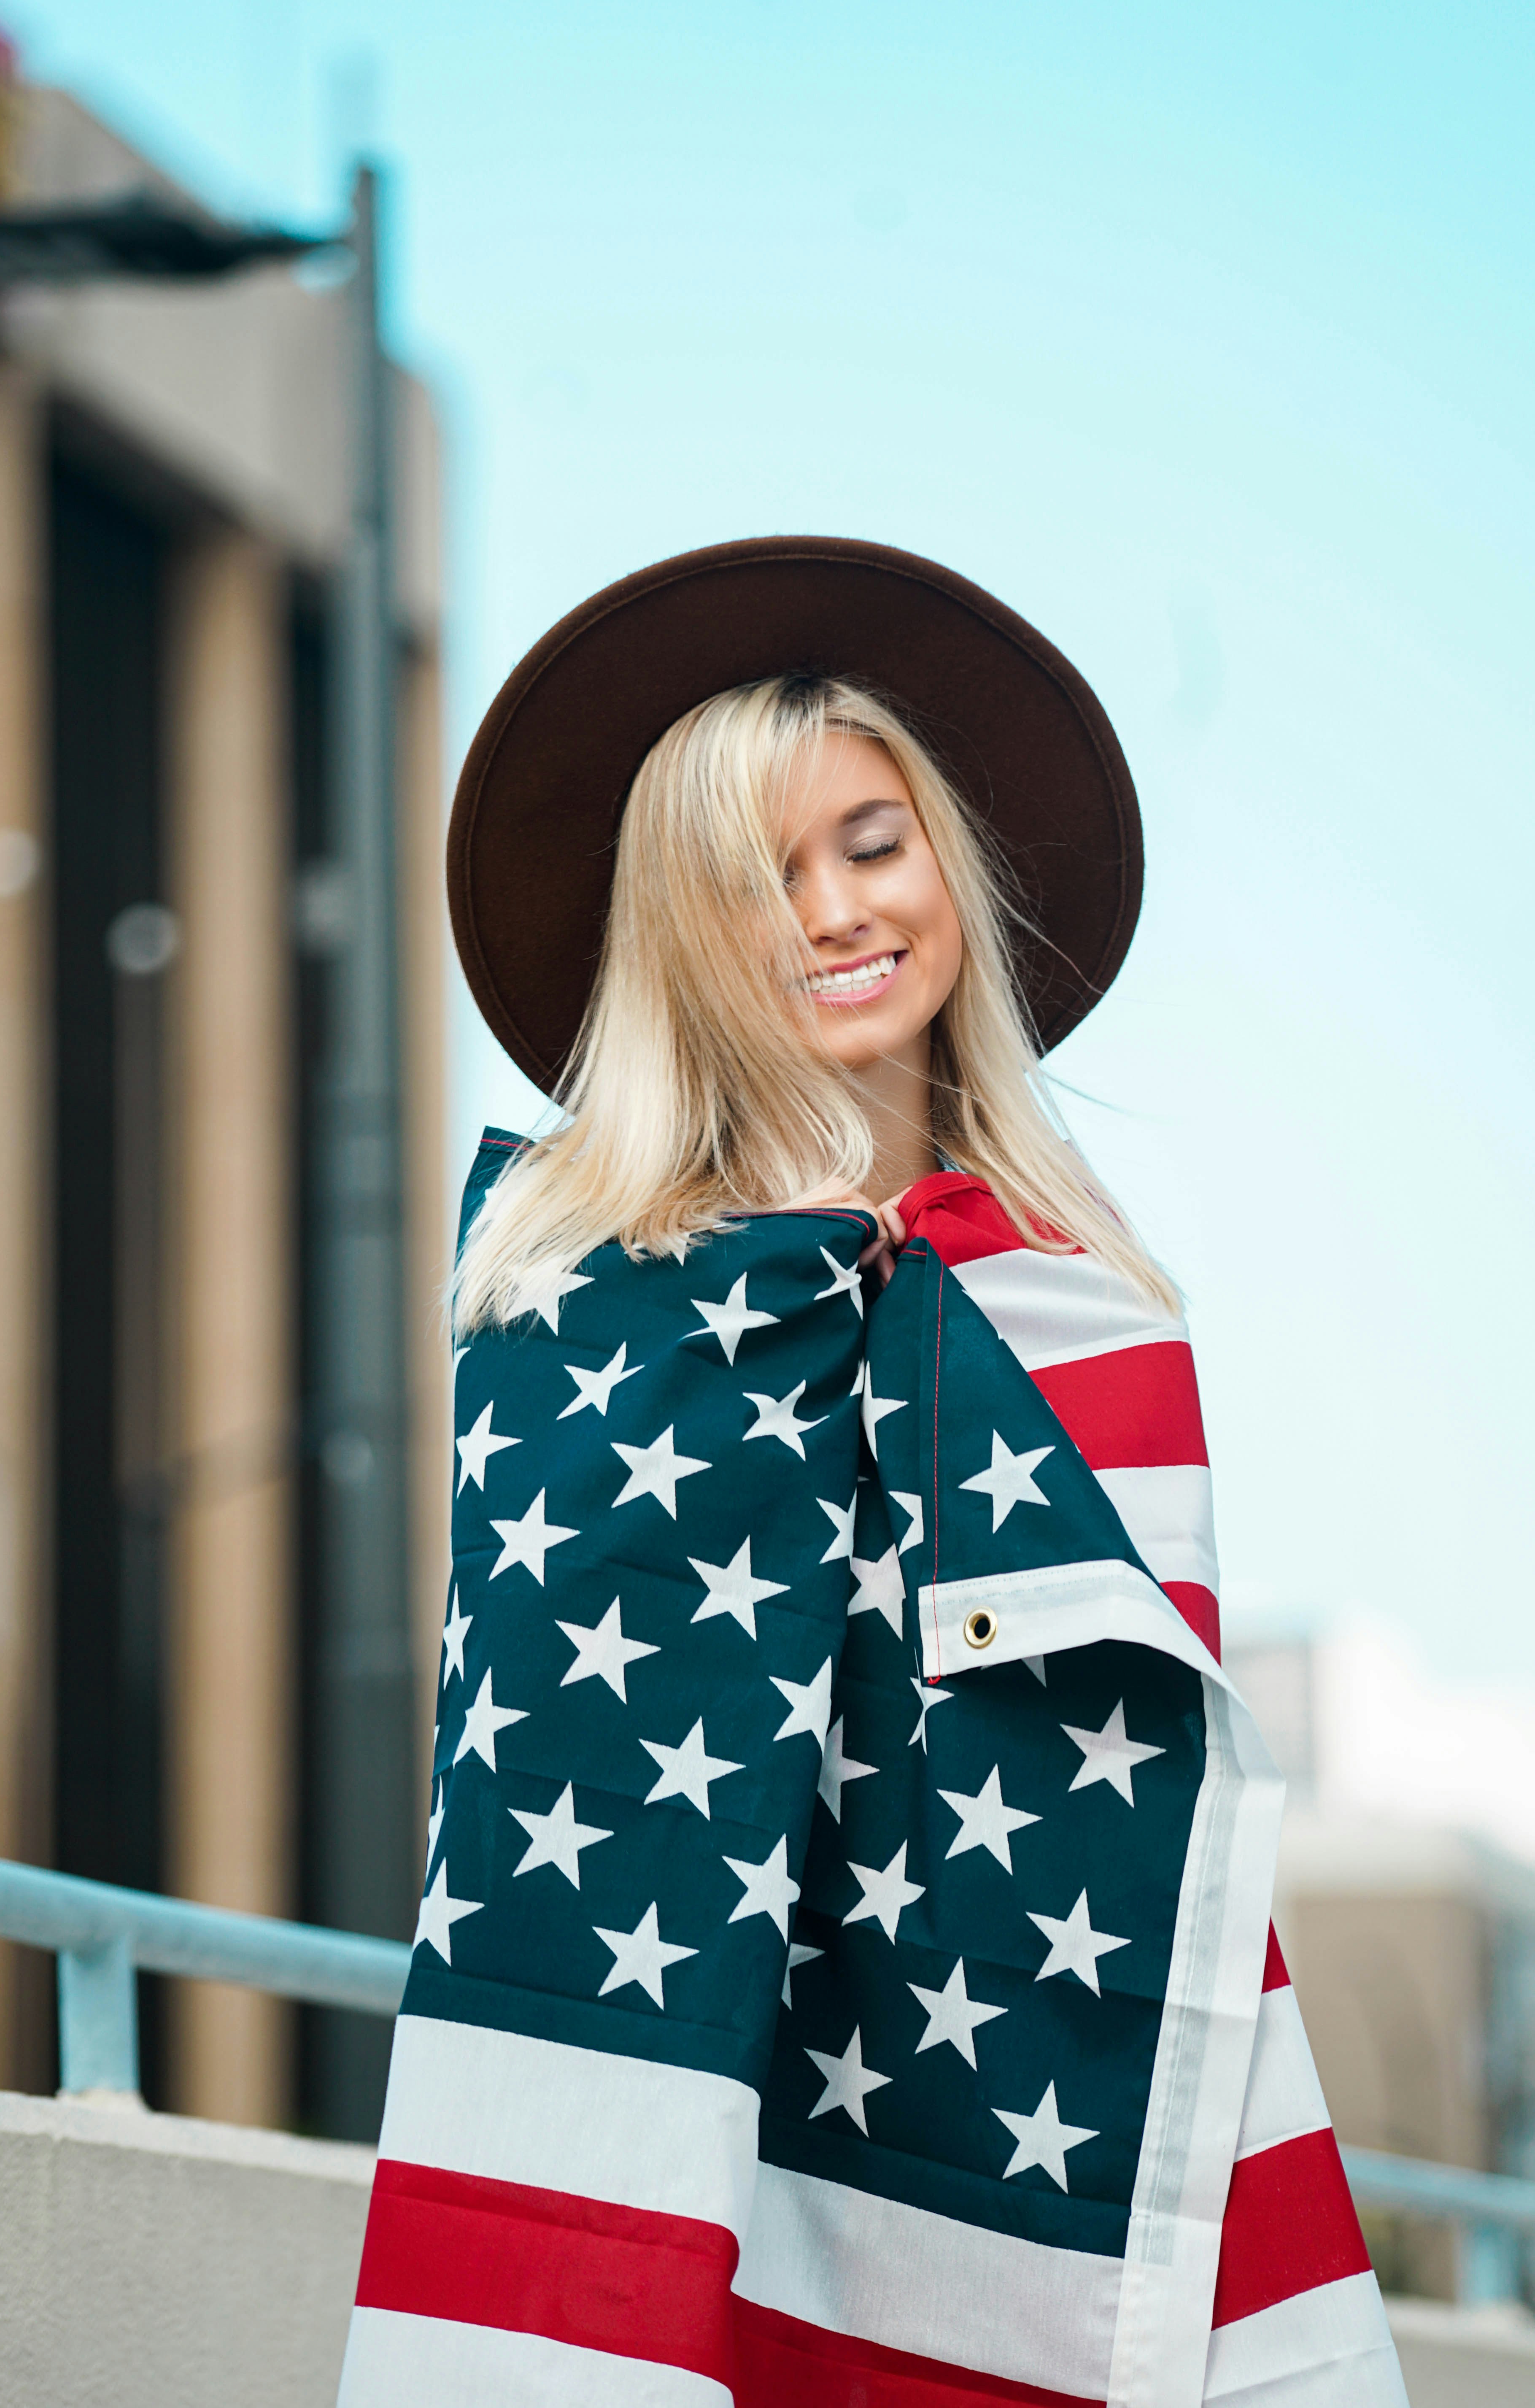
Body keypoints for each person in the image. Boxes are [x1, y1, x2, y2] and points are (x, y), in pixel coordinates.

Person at [339, 540, 1407, 2407]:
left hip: (1028, 2121)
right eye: (760, 878)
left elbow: (1144, 1812)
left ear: (949, 877)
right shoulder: (577, 1302)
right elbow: (525, 1765)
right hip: (685, 2099)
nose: (833, 910)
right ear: (683, 930)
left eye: (871, 841)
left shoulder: (1091, 1310)